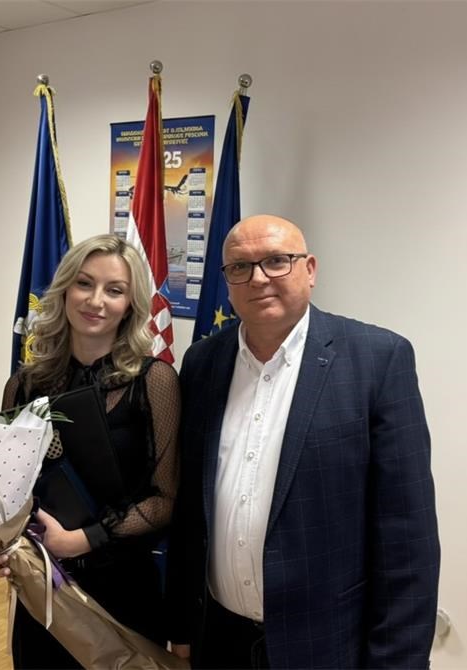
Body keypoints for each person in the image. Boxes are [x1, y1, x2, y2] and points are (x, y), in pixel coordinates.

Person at [166, 214, 440, 669]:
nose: (258, 278)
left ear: (309, 270)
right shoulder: (201, 363)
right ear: (227, 282)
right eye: (240, 267)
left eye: (277, 261)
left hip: (326, 644)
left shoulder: (377, 360)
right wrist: (180, 624)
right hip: (218, 638)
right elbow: (191, 509)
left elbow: (407, 537)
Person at [0, 234, 180, 669]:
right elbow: (8, 490)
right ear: (64, 290)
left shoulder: (155, 381)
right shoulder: (23, 385)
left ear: (130, 305)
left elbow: (167, 498)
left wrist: (83, 540)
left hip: (124, 589)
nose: (96, 301)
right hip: (46, 587)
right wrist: (9, 545)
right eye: (84, 283)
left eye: (114, 290)